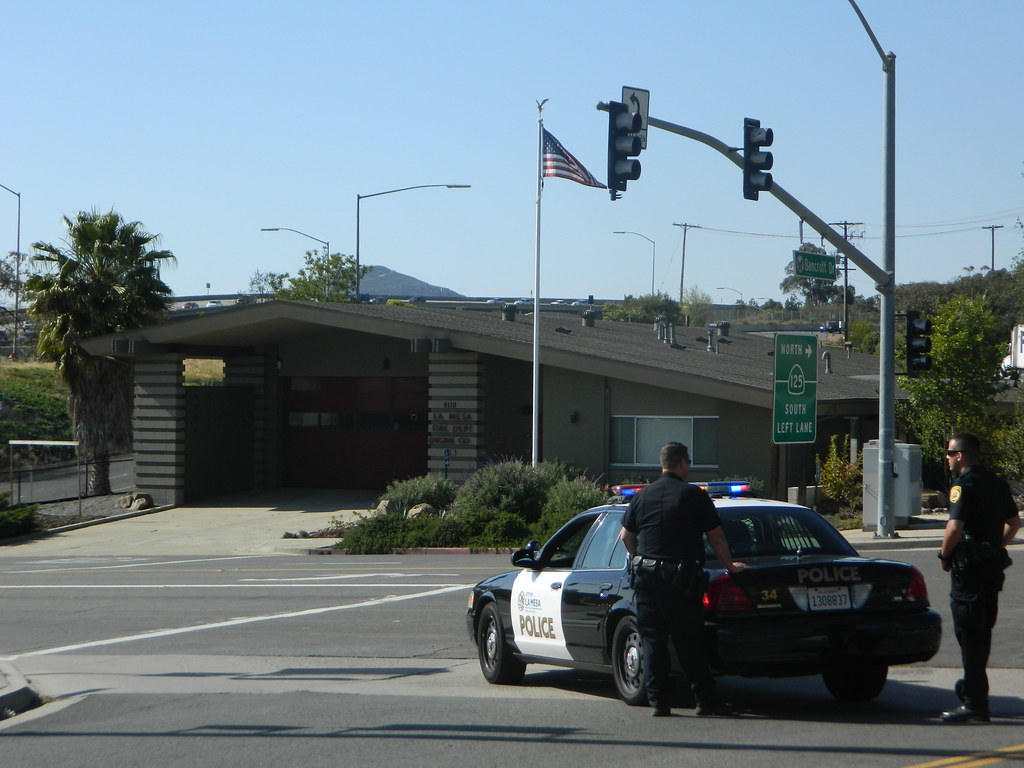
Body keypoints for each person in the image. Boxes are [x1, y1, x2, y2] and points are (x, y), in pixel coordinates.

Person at [619, 441, 748, 717]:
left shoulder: (642, 497)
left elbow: (625, 537)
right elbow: (716, 537)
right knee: (689, 641)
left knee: (653, 641)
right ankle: (705, 701)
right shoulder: (694, 496)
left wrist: (640, 559)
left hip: (646, 579)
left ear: (662, 464)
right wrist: (730, 565)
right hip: (680, 579)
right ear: (683, 464)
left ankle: (659, 703)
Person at [937, 432, 1020, 723]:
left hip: (969, 571)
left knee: (968, 633)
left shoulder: (963, 486)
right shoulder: (996, 483)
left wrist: (944, 556)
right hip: (990, 570)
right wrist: (997, 545)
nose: (946, 459)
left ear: (960, 455)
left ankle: (974, 703)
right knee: (981, 632)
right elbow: (1014, 522)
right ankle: (972, 689)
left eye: (949, 454)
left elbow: (954, 528)